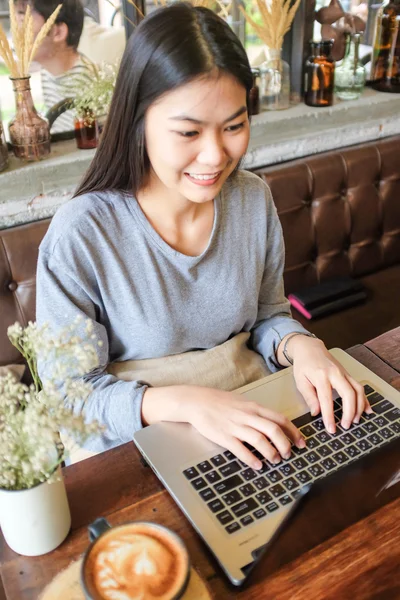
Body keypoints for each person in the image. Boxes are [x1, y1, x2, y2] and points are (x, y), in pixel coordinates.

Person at [36, 2, 372, 467]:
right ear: (138, 123)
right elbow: (70, 398)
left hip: (256, 418)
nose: (216, 156)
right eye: (189, 132)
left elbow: (267, 318)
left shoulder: (251, 199)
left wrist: (303, 346)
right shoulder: (83, 233)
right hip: (140, 450)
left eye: (234, 126)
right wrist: (188, 403)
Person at [16, 0, 95, 133]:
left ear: (57, 32)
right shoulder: (47, 71)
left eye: (24, 19)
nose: (17, 29)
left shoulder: (86, 82)